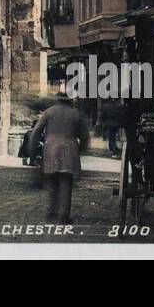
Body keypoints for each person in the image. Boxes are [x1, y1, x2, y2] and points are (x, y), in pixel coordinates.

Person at [35, 90, 90, 223]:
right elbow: (84, 137)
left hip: (51, 150)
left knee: (52, 182)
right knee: (66, 182)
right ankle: (63, 216)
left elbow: (36, 132)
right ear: (70, 100)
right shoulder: (76, 114)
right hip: (70, 150)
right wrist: (80, 150)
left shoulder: (49, 112)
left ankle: (51, 213)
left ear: (57, 100)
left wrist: (33, 152)